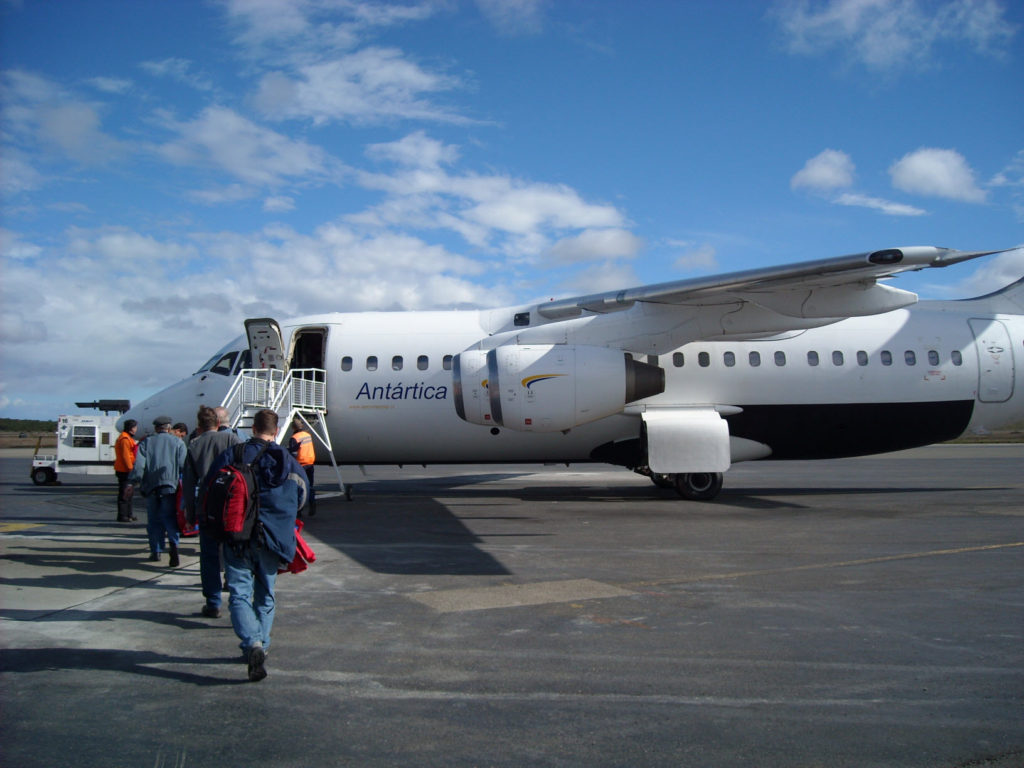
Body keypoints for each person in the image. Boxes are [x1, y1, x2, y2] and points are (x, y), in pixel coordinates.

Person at [207, 408, 306, 682]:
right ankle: (262, 644)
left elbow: (211, 489)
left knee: (239, 594)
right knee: (266, 594)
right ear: (276, 432)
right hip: (272, 537)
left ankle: (252, 644)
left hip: (237, 534)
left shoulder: (232, 455)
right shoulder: (286, 460)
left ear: (252, 429)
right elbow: (302, 496)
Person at [183, 405, 241, 619]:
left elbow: (188, 485)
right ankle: (236, 596)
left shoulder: (194, 445)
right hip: (230, 506)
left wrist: (189, 514)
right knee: (233, 552)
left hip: (206, 506)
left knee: (208, 556)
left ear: (199, 426)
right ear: (219, 423)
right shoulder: (232, 440)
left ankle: (213, 601)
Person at [129, 415, 186, 566]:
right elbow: (182, 465)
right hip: (170, 487)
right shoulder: (178, 442)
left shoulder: (146, 442)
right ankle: (174, 544)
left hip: (151, 487)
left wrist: (133, 482)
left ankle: (156, 550)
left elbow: (139, 466)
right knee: (169, 518)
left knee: (154, 520)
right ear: (169, 428)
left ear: (156, 428)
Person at [287, 415, 316, 516]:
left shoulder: (294, 438)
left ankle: (299, 510)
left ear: (293, 427)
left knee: (298, 487)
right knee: (310, 486)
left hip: (301, 465)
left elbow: (293, 453)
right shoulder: (307, 435)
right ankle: (312, 504)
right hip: (310, 463)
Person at [114, 419, 138, 522]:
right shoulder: (124, 439)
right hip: (125, 470)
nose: (136, 429)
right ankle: (122, 515)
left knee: (129, 493)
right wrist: (130, 469)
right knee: (124, 493)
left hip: (126, 469)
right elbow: (126, 456)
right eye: (135, 427)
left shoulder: (128, 438)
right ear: (131, 428)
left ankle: (129, 514)